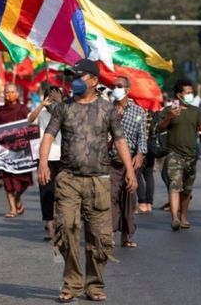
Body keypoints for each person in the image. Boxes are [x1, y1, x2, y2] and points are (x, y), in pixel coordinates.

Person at [38, 59, 138, 303]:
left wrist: (130, 170)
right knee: (66, 229)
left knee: (99, 235)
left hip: (98, 181)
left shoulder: (107, 109)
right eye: (73, 77)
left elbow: (120, 139)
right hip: (68, 179)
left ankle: (94, 285)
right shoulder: (63, 107)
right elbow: (49, 135)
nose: (74, 82)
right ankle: (71, 284)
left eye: (79, 77)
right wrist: (42, 163)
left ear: (94, 81)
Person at [156, 79, 201, 231]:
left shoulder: (196, 111)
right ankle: (174, 218)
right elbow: (159, 128)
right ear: (179, 95)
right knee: (174, 185)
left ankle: (183, 216)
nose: (190, 95)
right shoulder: (169, 110)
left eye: (191, 92)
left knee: (186, 190)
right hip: (174, 154)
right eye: (187, 93)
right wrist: (170, 117)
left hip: (191, 156)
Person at [109, 76, 146, 248]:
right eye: (113, 86)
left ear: (127, 90)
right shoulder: (107, 109)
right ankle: (110, 233)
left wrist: (140, 155)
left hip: (131, 161)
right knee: (111, 196)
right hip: (111, 159)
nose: (115, 88)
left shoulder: (139, 112)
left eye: (119, 86)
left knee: (128, 198)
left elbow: (142, 139)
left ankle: (126, 235)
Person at [28, 86, 64, 241]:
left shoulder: (66, 111)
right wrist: (42, 104)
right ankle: (50, 227)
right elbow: (30, 119)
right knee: (47, 192)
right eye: (50, 97)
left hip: (64, 158)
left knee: (62, 193)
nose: (53, 100)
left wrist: (60, 103)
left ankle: (62, 226)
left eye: (56, 97)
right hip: (46, 158)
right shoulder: (42, 115)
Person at [0, 84, 33, 217]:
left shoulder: (23, 109)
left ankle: (18, 199)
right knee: (8, 180)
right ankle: (12, 209)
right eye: (6, 92)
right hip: (5, 150)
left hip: (21, 151)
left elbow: (30, 124)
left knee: (23, 182)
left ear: (17, 94)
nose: (9, 95)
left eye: (12, 92)